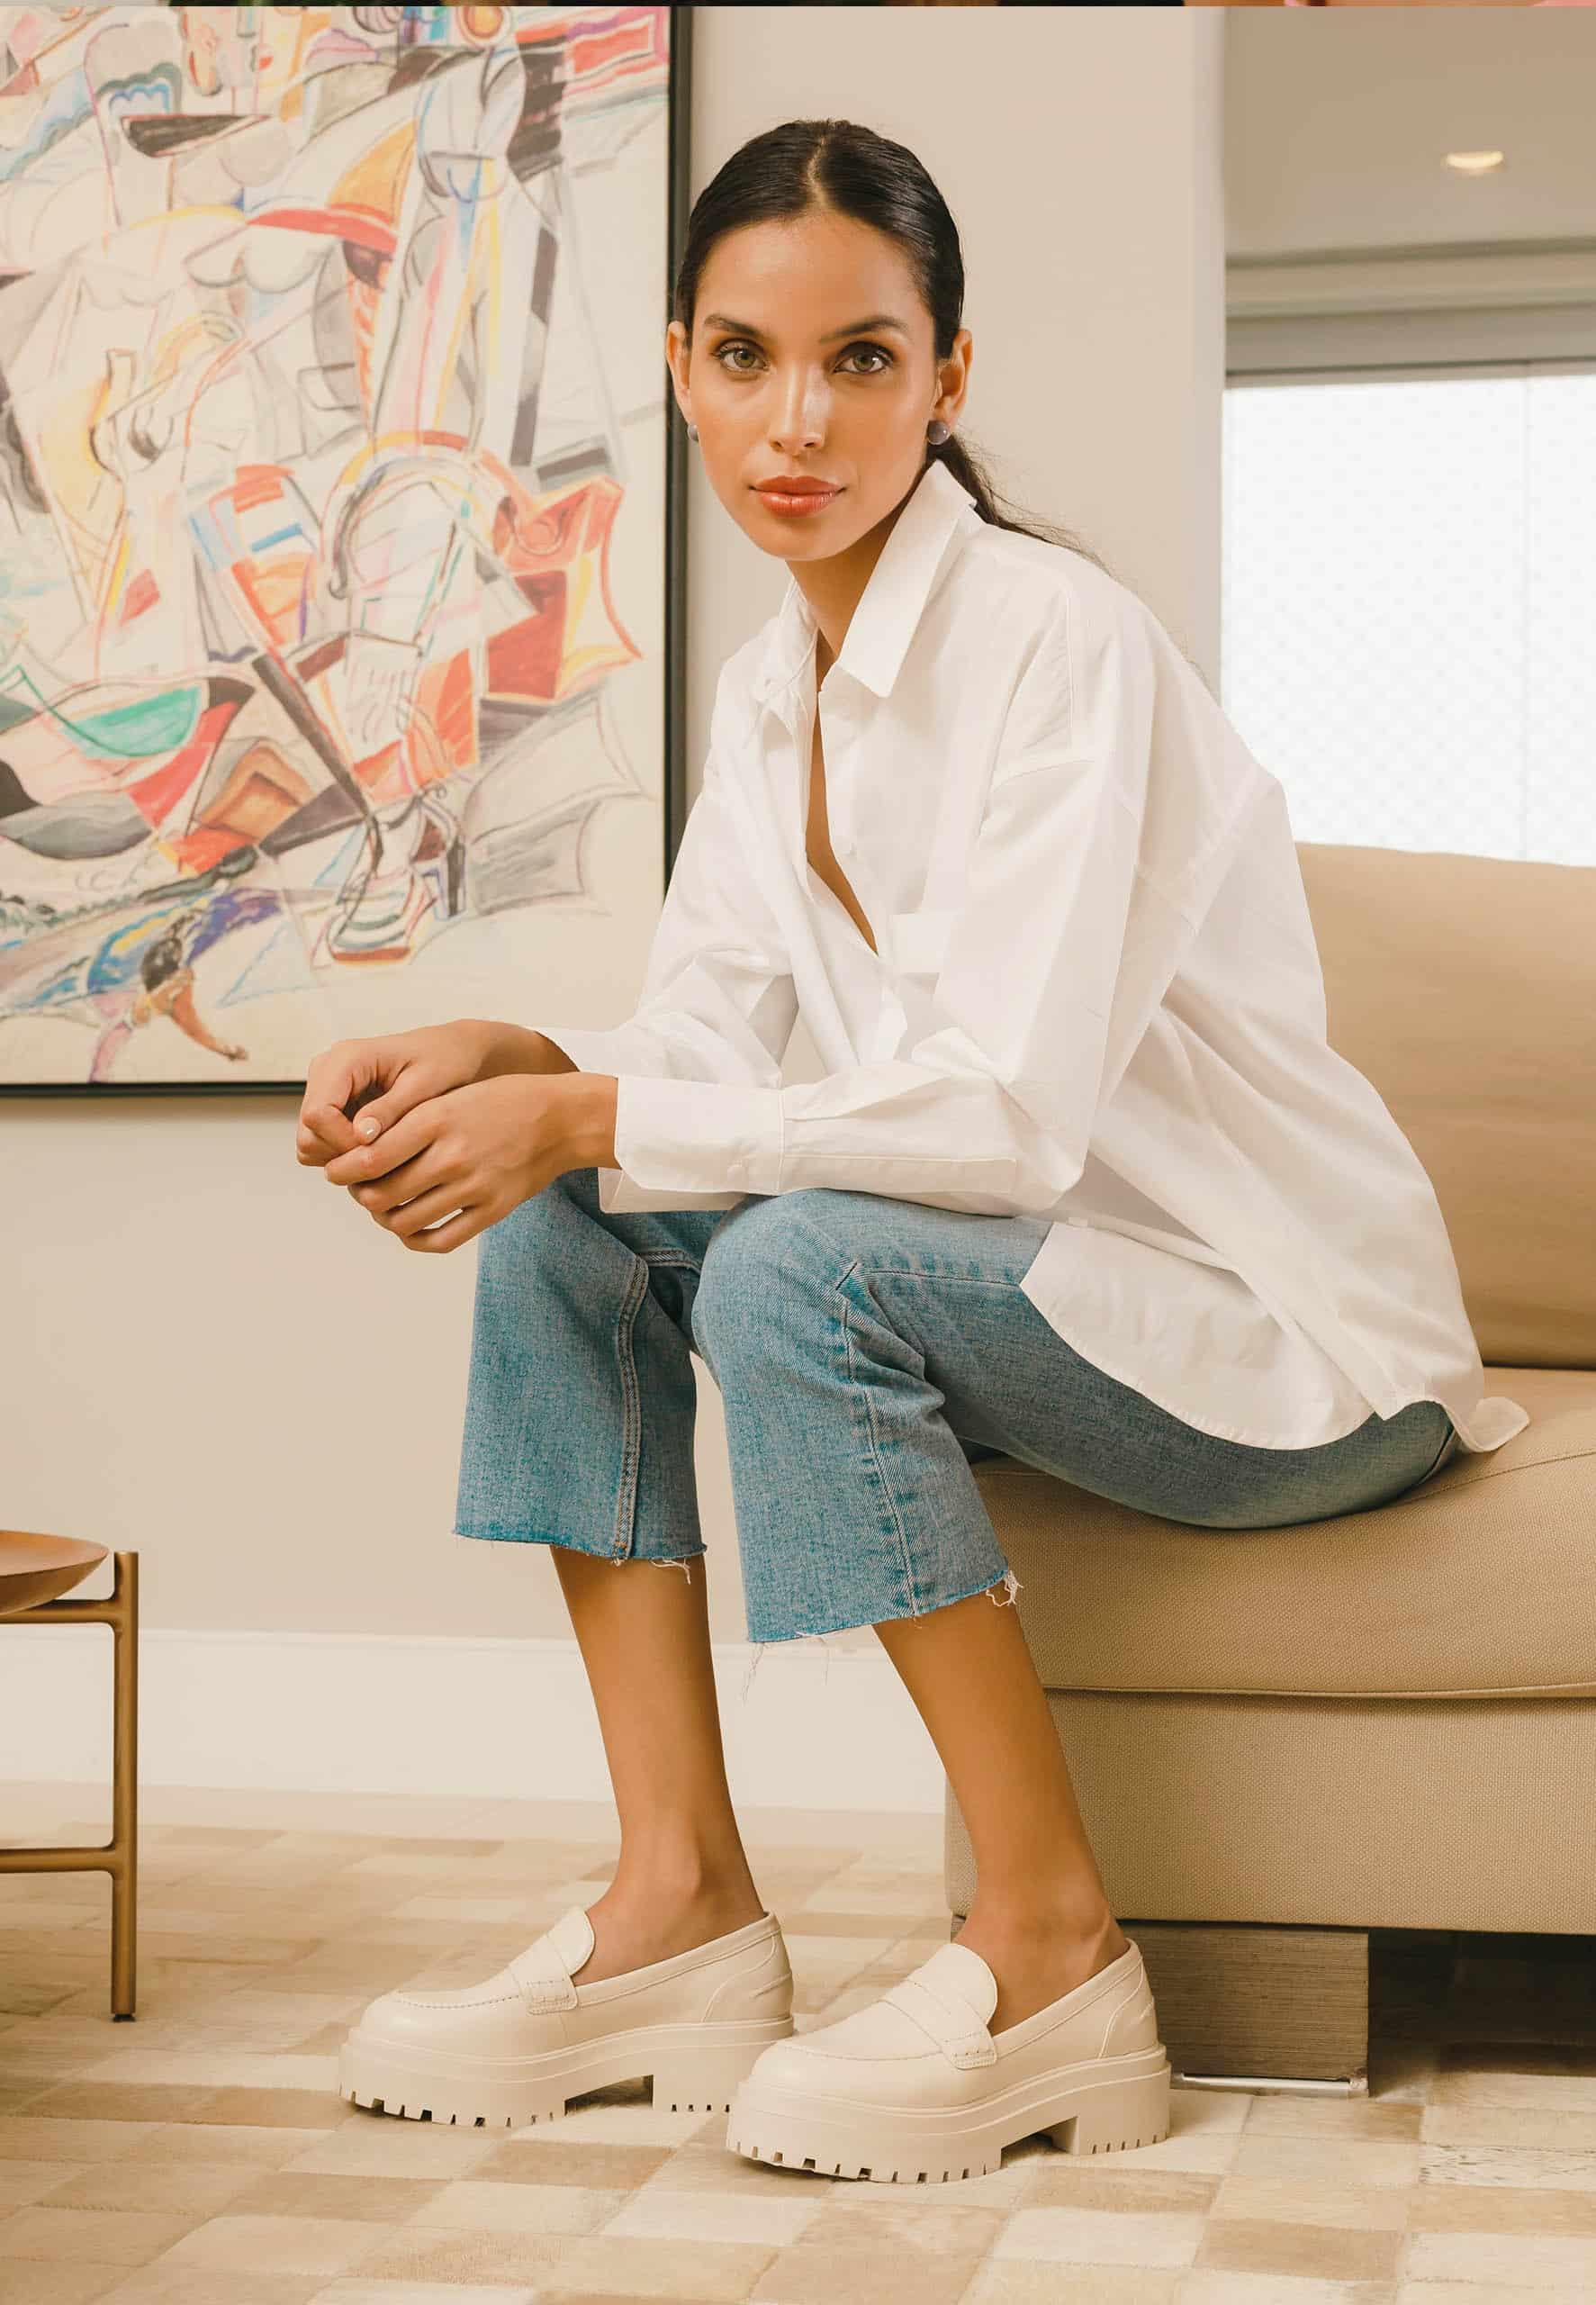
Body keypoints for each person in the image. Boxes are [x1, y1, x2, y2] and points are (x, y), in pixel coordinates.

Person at [295, 116, 1525, 2183]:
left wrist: (597, 1105)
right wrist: (518, 1061)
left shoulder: (1057, 646)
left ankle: (1052, 1945)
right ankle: (676, 1897)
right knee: (564, 1233)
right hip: (1048, 1302)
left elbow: (1001, 1113)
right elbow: (698, 1052)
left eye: (861, 359)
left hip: (1284, 1351)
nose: (799, 420)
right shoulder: (776, 692)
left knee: (791, 1259)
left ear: (947, 378)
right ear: (680, 364)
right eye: (747, 358)